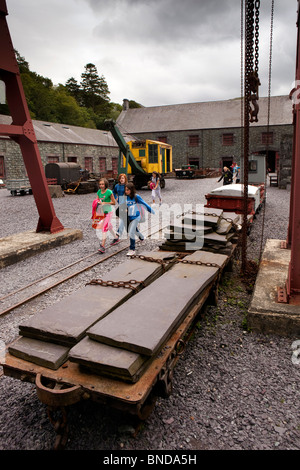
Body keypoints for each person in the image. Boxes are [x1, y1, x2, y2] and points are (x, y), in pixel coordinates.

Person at [123, 182, 155, 256]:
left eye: (127, 190)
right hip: (129, 217)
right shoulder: (126, 197)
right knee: (135, 230)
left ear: (131, 190)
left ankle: (132, 249)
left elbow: (144, 204)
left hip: (136, 216)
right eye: (125, 190)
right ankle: (142, 238)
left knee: (131, 232)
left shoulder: (136, 197)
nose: (126, 191)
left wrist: (152, 211)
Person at [96, 178, 119, 254]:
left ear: (105, 184)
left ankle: (102, 246)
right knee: (109, 226)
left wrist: (104, 203)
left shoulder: (109, 192)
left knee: (104, 227)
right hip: (103, 212)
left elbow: (113, 203)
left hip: (109, 212)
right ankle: (116, 237)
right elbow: (97, 201)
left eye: (102, 184)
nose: (101, 186)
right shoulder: (99, 192)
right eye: (100, 184)